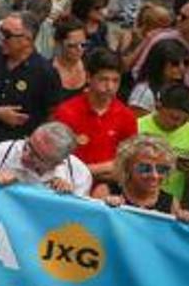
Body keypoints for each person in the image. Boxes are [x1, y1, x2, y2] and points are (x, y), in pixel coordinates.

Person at [53, 47, 138, 194]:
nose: (110, 87)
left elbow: (127, 165)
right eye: (103, 79)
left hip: (108, 192)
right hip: (68, 188)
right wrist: (98, 169)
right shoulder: (66, 111)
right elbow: (56, 158)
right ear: (88, 77)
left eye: (115, 81)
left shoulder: (127, 116)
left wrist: (86, 170)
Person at [0, 12, 61, 145]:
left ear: (27, 39)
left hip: (21, 146)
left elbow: (53, 113)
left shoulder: (45, 72)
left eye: (7, 35)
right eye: (1, 32)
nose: (1, 39)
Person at [104, 135, 189, 222]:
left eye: (161, 169)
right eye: (144, 168)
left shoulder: (171, 203)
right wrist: (105, 208)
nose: (154, 175)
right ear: (127, 167)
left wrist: (186, 221)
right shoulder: (106, 191)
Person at [137, 83, 189, 212]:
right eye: (174, 118)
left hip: (171, 208)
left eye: (185, 121)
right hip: (136, 201)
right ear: (158, 106)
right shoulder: (137, 127)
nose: (178, 124)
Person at [0, 122, 93, 196]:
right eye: (28, 144)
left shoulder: (79, 174)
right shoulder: (4, 151)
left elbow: (78, 218)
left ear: (57, 163)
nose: (25, 155)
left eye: (36, 156)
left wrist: (69, 199)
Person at [127, 38, 189, 117]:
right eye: (175, 63)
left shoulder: (181, 89)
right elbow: (136, 124)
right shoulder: (145, 92)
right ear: (159, 64)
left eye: (186, 63)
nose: (182, 68)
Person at [52, 15, 89, 100]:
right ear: (59, 44)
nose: (79, 49)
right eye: (72, 45)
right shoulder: (48, 71)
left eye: (83, 45)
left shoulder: (90, 66)